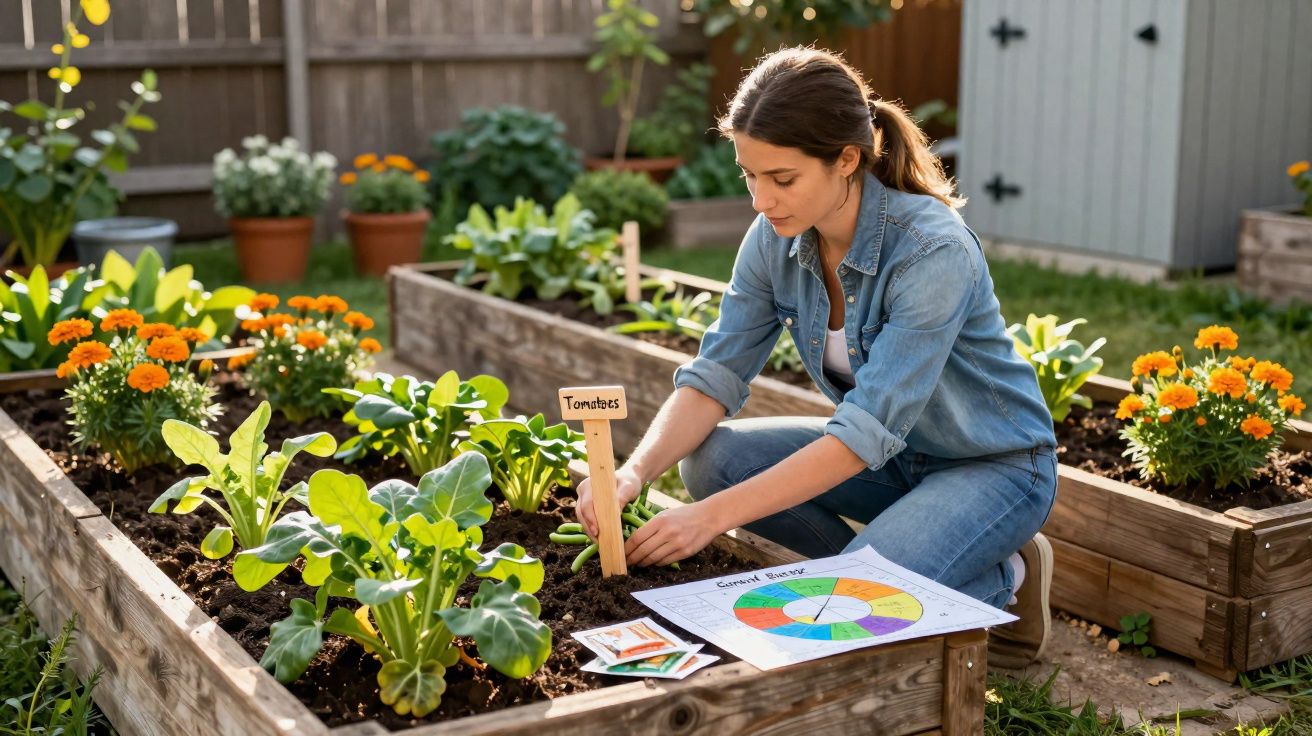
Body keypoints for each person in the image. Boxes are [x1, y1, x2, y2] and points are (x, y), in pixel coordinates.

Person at [574, 47, 1058, 668]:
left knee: (851, 605)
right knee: (714, 461)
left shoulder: (931, 252)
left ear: (847, 160)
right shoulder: (775, 238)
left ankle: (1005, 577)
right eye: (749, 176)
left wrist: (708, 521)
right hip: (897, 461)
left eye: (781, 179)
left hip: (992, 467)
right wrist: (633, 472)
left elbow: (862, 434)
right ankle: (883, 569)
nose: (760, 200)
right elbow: (715, 374)